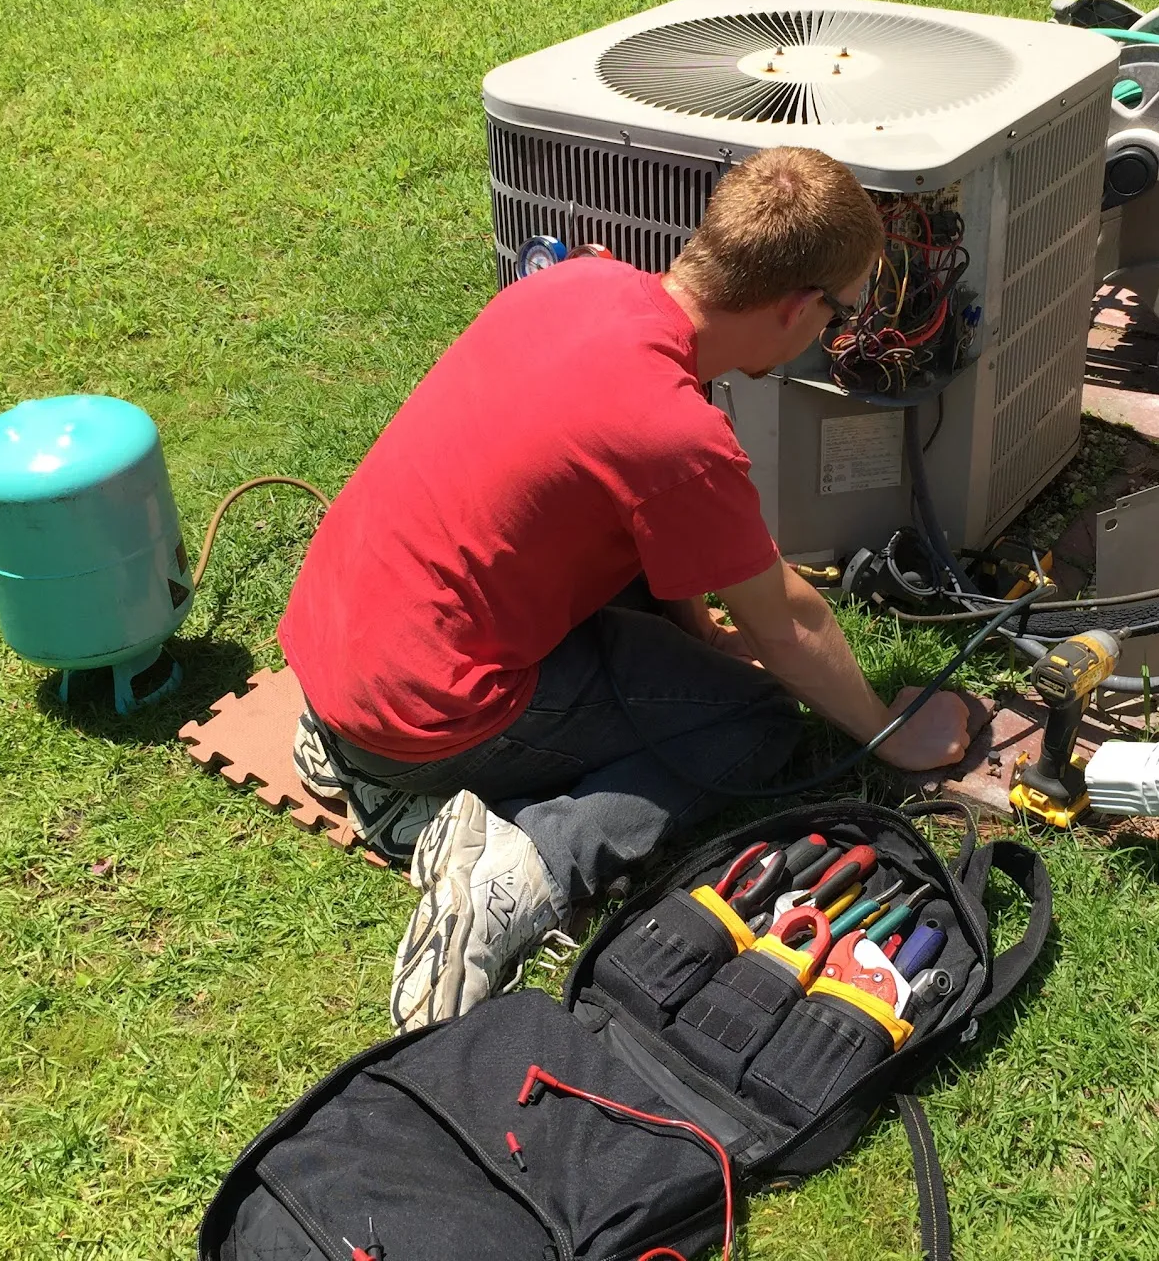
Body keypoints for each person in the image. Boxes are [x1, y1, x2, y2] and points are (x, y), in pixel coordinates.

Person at [277, 145, 973, 1030]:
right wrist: (887, 732)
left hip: (340, 647)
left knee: (670, 650)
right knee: (757, 726)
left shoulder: (576, 283)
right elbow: (788, 626)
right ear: (798, 308)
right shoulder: (674, 435)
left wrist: (698, 633)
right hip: (425, 711)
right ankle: (521, 865)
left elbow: (628, 517)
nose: (834, 332)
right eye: (840, 312)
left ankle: (349, 753)